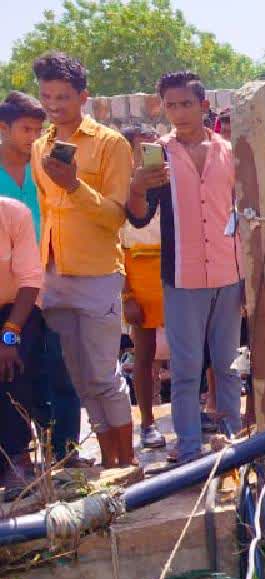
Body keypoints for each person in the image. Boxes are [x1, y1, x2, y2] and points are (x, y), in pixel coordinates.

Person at [126, 71, 242, 464]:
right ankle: (190, 449)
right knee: (186, 369)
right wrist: (138, 187)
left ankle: (232, 442)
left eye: (185, 104)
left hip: (229, 273)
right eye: (170, 105)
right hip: (182, 275)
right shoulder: (158, 153)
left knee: (227, 366)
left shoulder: (230, 152)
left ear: (203, 106)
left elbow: (243, 211)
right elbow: (141, 218)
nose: (178, 112)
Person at [30, 52, 136, 468]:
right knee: (78, 379)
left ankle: (126, 462)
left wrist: (74, 186)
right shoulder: (41, 145)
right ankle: (109, 461)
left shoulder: (110, 144)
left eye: (63, 96)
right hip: (55, 275)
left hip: (97, 275)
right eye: (46, 96)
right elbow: (45, 213)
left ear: (83, 97)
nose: (54, 104)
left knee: (104, 375)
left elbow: (114, 217)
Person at [0, 92, 83, 467]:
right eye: (25, 128)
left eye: (38, 129)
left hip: (49, 276)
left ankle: (63, 454)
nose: (32, 136)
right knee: (20, 372)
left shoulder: (44, 167)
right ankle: (19, 458)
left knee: (58, 370)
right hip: (14, 287)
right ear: (4, 129)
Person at [119, 125, 168, 449]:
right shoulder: (121, 189)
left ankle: (195, 417)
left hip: (173, 269)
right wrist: (126, 295)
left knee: (190, 351)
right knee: (144, 353)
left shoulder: (170, 184)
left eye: (152, 148)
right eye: (140, 148)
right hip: (138, 274)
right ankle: (148, 423)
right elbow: (115, 244)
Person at [0, 198, 43, 491]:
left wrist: (8, 335)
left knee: (11, 366)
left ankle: (18, 458)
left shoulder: (14, 214)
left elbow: (30, 281)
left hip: (16, 311)